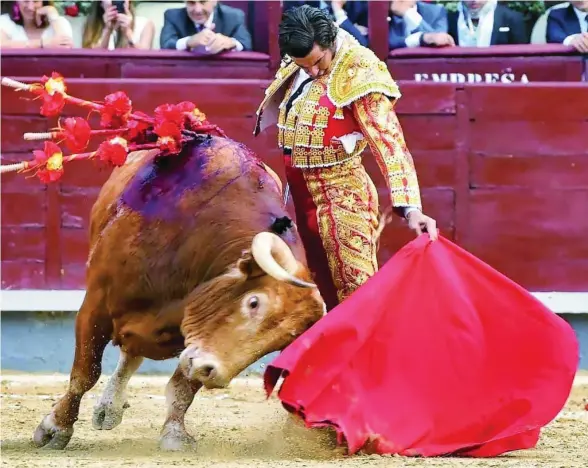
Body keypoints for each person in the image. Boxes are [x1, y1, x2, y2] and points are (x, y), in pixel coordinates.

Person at [254, 4, 437, 311]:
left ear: (330, 42)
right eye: (303, 66)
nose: (312, 71)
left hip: (343, 196)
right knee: (316, 289)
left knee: (357, 292)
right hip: (300, 193)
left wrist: (411, 210)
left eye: (317, 62)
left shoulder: (359, 68)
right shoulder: (299, 60)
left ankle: (368, 358)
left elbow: (389, 142)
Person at [160, 0, 252, 53]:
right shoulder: (172, 16)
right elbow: (165, 45)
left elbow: (246, 45)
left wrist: (230, 42)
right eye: (191, 2)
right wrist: (189, 41)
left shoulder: (234, 16)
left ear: (215, 1)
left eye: (203, 1)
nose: (198, 10)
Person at [82, 0, 155, 50]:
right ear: (100, 3)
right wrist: (107, 31)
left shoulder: (145, 24)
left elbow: (145, 59)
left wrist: (128, 33)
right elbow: (91, 60)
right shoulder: (92, 24)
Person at [0, 0, 73, 49]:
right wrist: (42, 43)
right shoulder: (5, 21)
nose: (30, 7)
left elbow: (66, 46)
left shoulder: (59, 22)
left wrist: (51, 13)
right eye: (26, 1)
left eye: (36, 1)